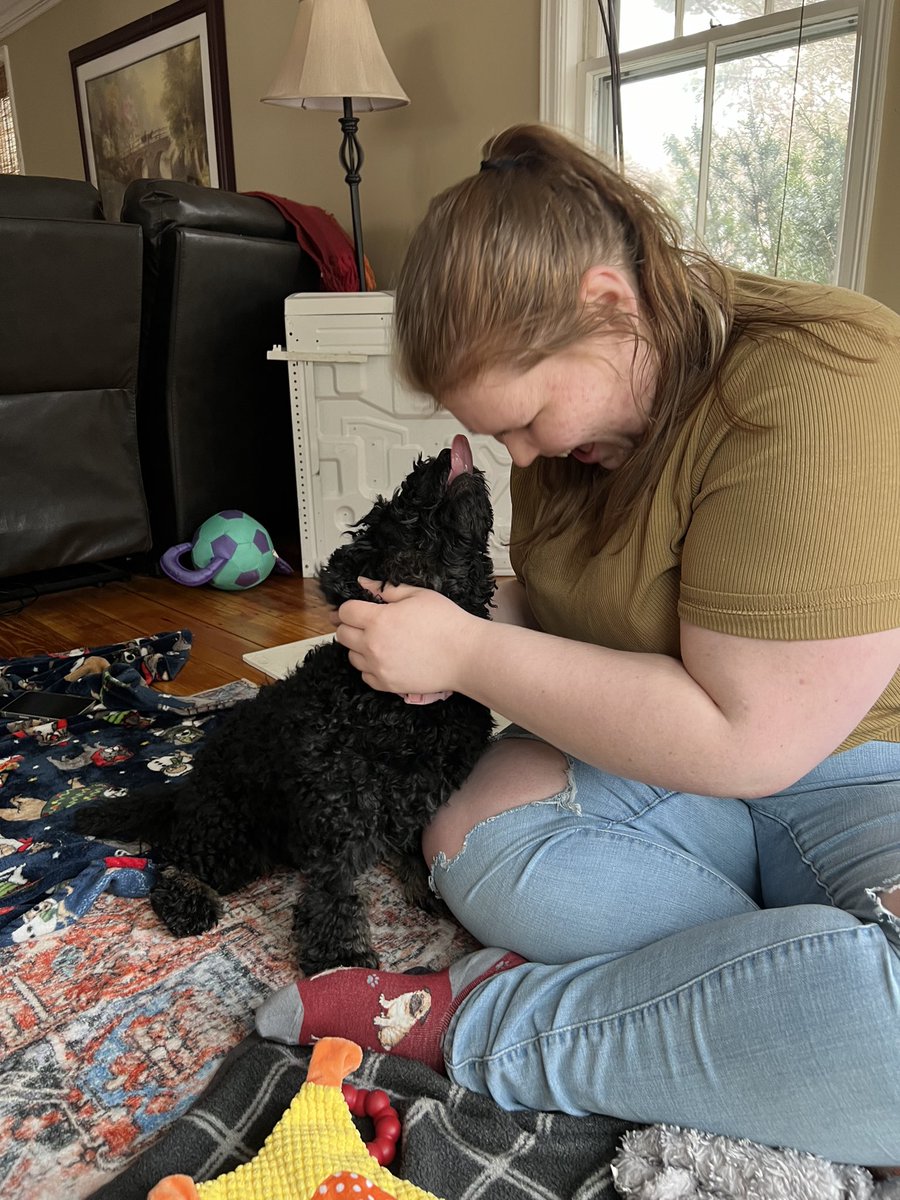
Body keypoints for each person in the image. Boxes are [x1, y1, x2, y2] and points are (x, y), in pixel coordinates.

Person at [255, 124, 900, 1170]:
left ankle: (479, 1023)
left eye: (525, 419)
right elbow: (584, 620)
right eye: (498, 435)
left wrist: (465, 655)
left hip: (861, 770)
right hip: (675, 777)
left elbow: (752, 738)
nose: (522, 455)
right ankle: (792, 990)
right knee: (477, 842)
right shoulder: (583, 432)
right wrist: (451, 618)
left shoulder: (829, 377)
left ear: (609, 302)